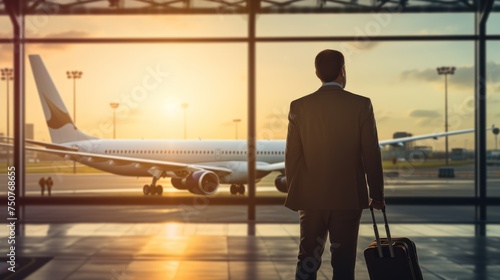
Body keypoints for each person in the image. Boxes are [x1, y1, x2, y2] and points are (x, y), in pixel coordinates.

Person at [285, 49, 385, 280]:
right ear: (342, 71)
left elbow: (292, 156)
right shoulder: (361, 105)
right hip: (348, 197)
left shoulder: (299, 106)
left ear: (317, 73)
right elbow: (371, 152)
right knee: (343, 261)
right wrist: (377, 194)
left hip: (311, 199)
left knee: (307, 259)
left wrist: (298, 192)